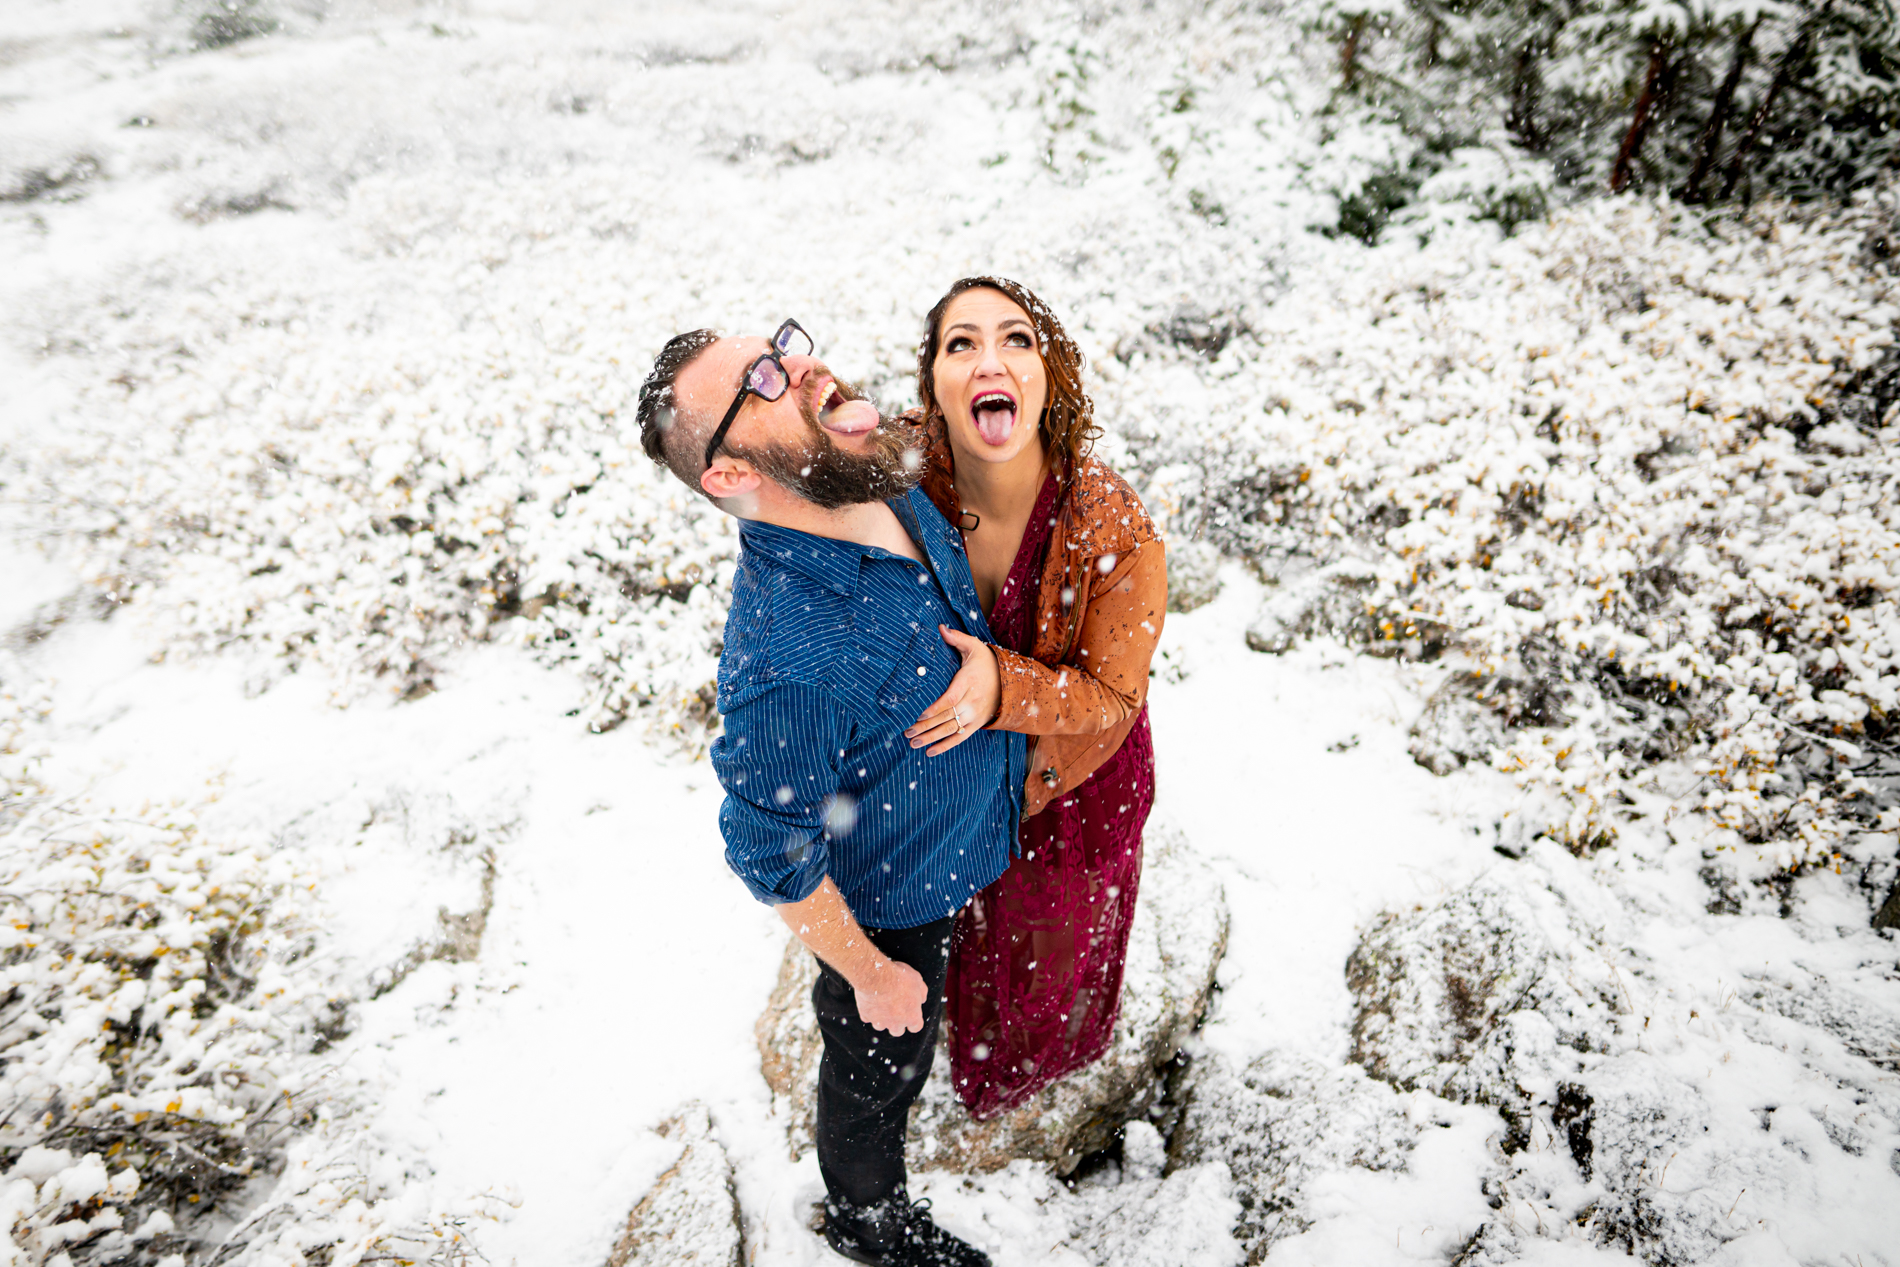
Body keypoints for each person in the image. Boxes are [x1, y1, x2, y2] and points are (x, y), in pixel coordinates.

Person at [635, 320, 1020, 1267]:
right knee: (879, 1068)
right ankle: (865, 1215)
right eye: (763, 380)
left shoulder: (874, 476)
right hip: (892, 906)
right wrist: (871, 970)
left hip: (966, 828)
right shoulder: (787, 658)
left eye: (781, 342)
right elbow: (767, 844)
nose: (800, 362)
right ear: (727, 475)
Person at [895, 278, 1167, 1123]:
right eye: (961, 343)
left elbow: (1115, 693)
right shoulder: (901, 479)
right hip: (947, 773)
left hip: (1071, 786)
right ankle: (958, 1034)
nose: (991, 359)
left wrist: (1001, 688)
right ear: (934, 383)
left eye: (1017, 338)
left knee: (1046, 941)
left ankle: (1024, 1070)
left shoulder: (1108, 515)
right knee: (963, 925)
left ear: (1050, 372)